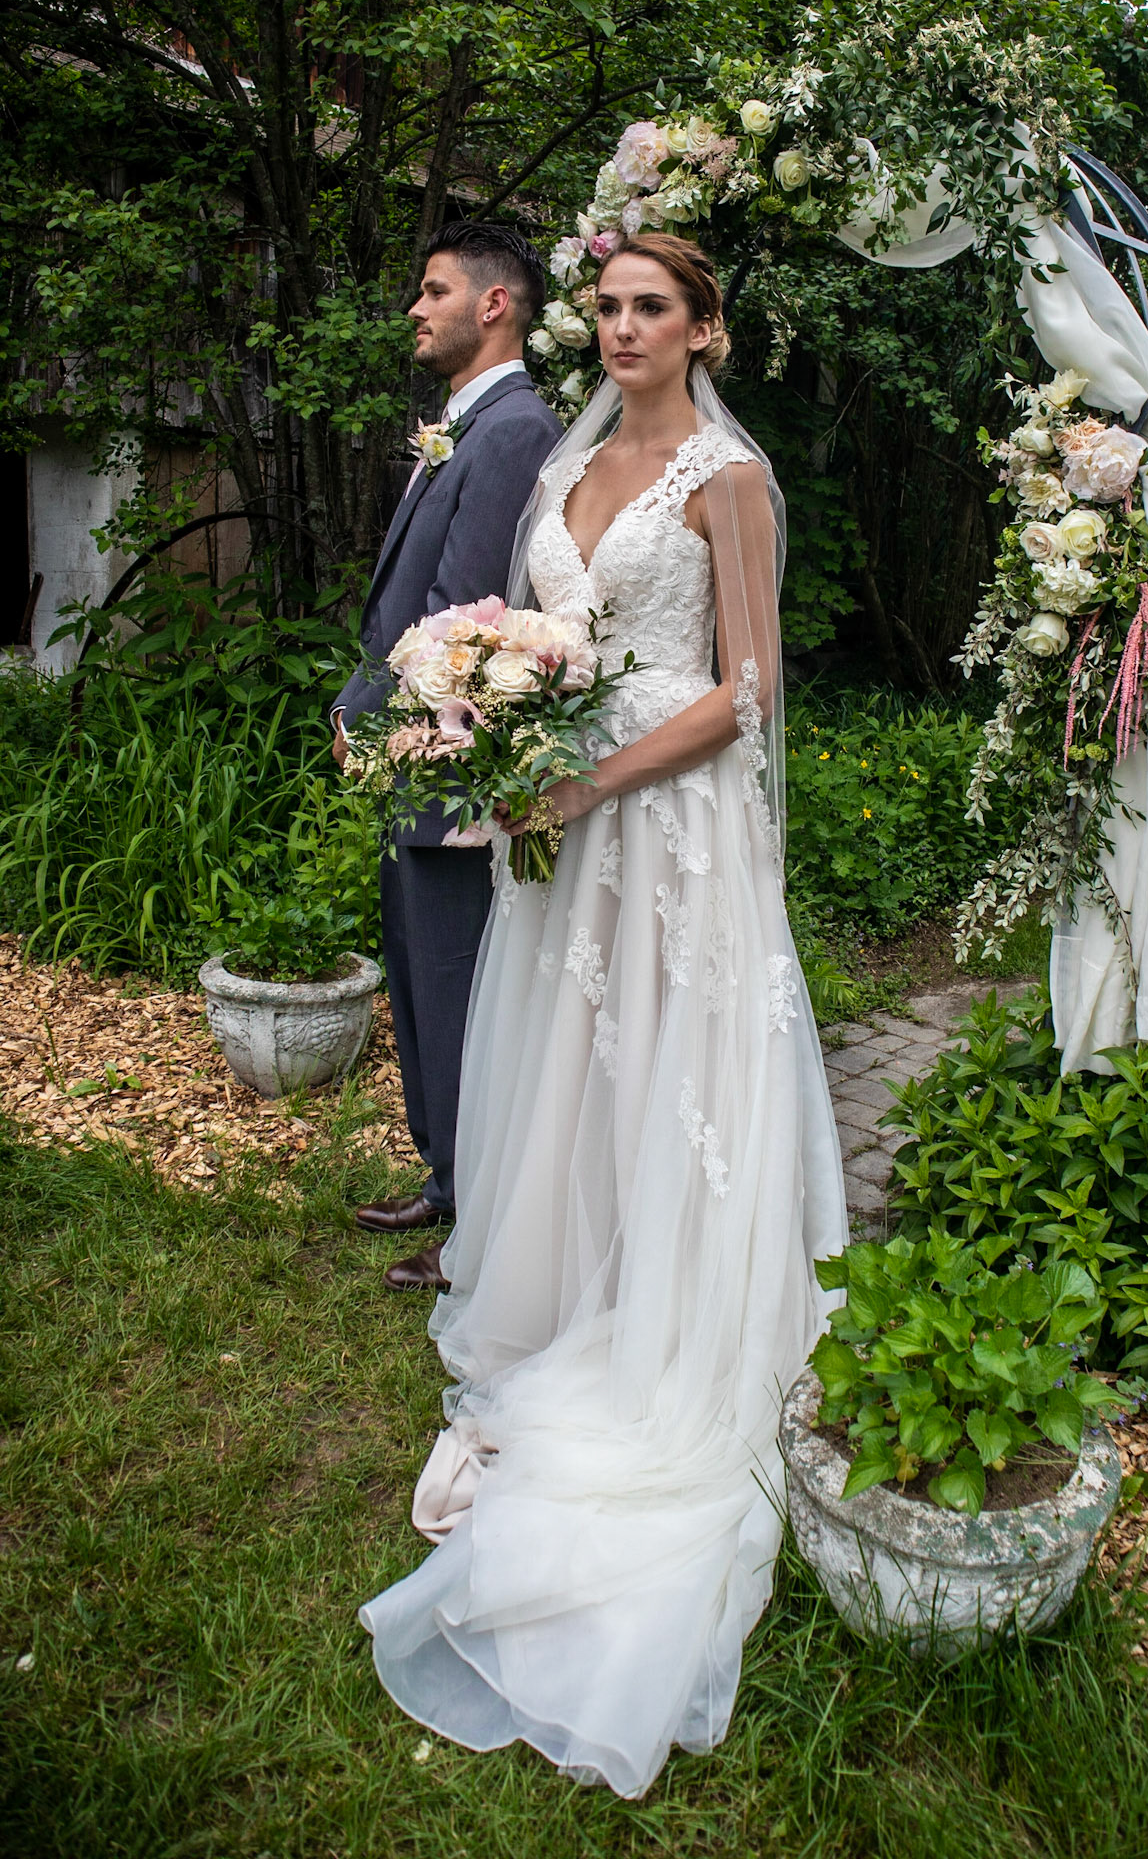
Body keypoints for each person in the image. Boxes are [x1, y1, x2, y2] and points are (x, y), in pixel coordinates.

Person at [360, 232, 848, 1793]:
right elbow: (542, 639)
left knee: (669, 1068)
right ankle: (578, 1292)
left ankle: (675, 1315)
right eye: (611, 305)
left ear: (705, 330)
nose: (625, 326)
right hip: (561, 823)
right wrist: (491, 717)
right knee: (571, 1066)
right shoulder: (564, 465)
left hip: (672, 820)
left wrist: (590, 778)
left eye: (654, 307)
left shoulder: (726, 478)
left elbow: (747, 690)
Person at [335, 223, 563, 1291]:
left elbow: (460, 612)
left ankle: (478, 1210)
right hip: (413, 751)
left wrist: (370, 710)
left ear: (493, 304)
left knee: (458, 982)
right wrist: (363, 707)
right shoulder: (466, 424)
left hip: (455, 758)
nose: (415, 310)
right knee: (421, 973)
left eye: (433, 291)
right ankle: (445, 1178)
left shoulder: (514, 430)